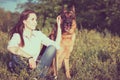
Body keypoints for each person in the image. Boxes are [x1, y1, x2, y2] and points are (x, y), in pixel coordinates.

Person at [7, 9, 61, 79]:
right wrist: (29, 57)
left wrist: (59, 27)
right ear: (24, 21)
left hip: (34, 67)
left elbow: (55, 45)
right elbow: (11, 47)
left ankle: (35, 76)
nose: (35, 22)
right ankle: (39, 77)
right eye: (32, 19)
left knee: (52, 48)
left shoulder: (38, 34)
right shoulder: (17, 35)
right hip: (22, 65)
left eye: (36, 20)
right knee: (15, 57)